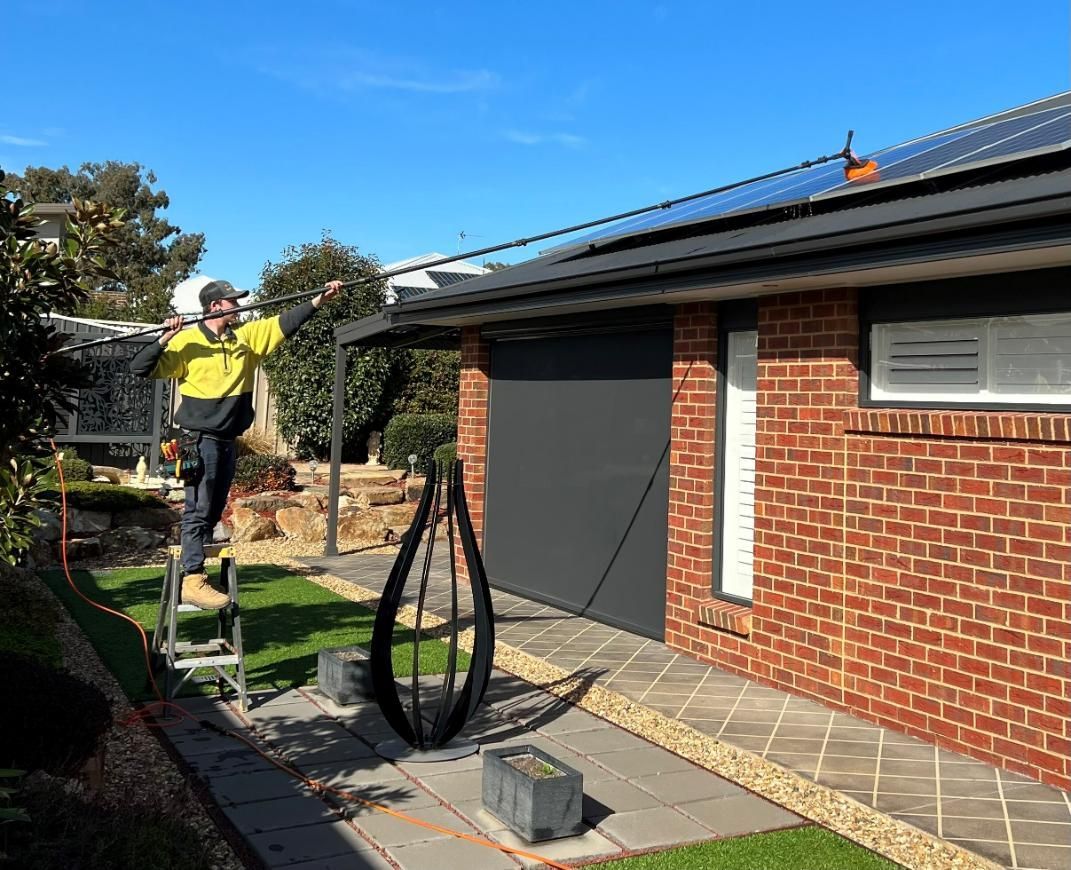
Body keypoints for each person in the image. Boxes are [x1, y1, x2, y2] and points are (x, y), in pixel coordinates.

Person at [130, 278, 342, 608]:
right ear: (215, 306)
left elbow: (285, 322)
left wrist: (319, 300)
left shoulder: (247, 339)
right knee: (198, 509)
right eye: (233, 302)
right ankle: (193, 579)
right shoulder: (186, 343)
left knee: (213, 510)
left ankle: (195, 567)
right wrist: (165, 337)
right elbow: (139, 367)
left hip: (227, 440)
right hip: (197, 441)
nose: (239, 306)